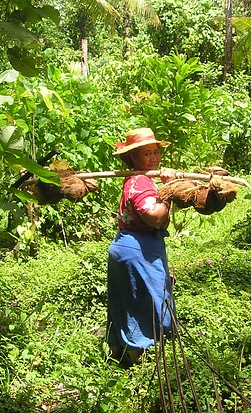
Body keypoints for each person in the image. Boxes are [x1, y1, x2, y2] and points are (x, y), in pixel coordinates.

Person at [106, 127, 177, 366]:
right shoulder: (142, 182)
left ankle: (116, 359)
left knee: (125, 301)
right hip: (139, 250)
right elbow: (154, 217)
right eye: (147, 154)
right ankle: (142, 364)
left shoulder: (136, 180)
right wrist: (168, 190)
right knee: (148, 303)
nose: (154, 158)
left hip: (126, 247)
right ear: (133, 157)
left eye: (156, 152)